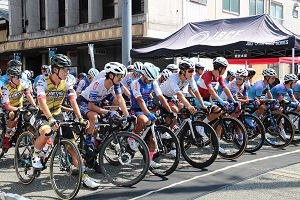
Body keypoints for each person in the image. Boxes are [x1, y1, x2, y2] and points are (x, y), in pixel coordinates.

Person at [32, 54, 100, 189]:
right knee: (46, 131)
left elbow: (73, 99)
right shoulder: (42, 81)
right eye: (64, 69)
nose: (67, 72)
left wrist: (80, 118)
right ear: (55, 70)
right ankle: (35, 154)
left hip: (58, 115)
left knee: (73, 148)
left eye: (68, 69)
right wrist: (50, 119)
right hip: (43, 114)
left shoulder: (68, 80)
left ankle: (85, 177)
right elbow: (41, 100)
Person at [76, 62, 130, 158]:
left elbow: (120, 99)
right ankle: (87, 143)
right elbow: (91, 106)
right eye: (120, 76)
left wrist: (127, 115)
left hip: (96, 101)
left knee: (116, 101)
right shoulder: (97, 84)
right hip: (84, 101)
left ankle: (98, 140)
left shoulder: (115, 84)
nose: (121, 79)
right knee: (94, 116)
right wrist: (109, 112)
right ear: (111, 75)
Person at [129, 62, 174, 168]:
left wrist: (169, 111)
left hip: (147, 107)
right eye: (149, 80)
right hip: (136, 108)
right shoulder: (135, 83)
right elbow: (140, 101)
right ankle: (131, 138)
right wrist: (148, 114)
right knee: (144, 121)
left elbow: (161, 96)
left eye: (152, 80)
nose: (150, 82)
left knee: (154, 137)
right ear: (143, 75)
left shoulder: (152, 82)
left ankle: (149, 160)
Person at [198, 57, 237, 153]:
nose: (225, 70)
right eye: (225, 68)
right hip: (199, 99)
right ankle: (201, 125)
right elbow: (211, 90)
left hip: (209, 99)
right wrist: (220, 100)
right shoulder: (207, 75)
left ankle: (216, 145)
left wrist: (233, 100)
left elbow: (225, 88)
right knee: (217, 109)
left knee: (219, 121)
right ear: (220, 68)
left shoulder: (219, 77)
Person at [1, 67, 36, 151]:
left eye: (20, 76)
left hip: (20, 106)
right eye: (17, 77)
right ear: (10, 78)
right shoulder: (6, 88)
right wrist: (17, 110)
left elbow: (28, 95)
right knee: (13, 115)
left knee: (31, 120)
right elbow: (7, 106)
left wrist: (35, 106)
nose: (19, 79)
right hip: (9, 108)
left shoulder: (22, 84)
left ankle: (34, 145)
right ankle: (7, 135)